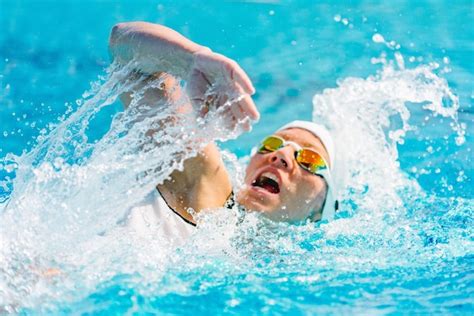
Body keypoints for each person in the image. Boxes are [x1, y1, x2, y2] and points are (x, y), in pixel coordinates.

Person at [109, 22, 338, 241]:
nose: (281, 155)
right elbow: (121, 44)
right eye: (272, 144)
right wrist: (189, 59)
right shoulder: (209, 189)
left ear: (321, 209)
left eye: (309, 158)